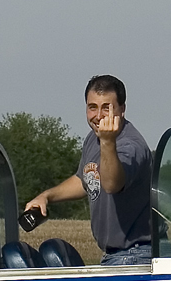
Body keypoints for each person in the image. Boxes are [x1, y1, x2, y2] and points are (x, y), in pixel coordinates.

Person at [24, 75, 153, 267]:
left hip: (134, 254)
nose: (98, 116)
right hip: (114, 254)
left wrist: (108, 141)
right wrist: (46, 196)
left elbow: (111, 184)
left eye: (106, 108)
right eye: (92, 107)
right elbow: (85, 179)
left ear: (122, 109)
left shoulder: (130, 146)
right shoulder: (93, 139)